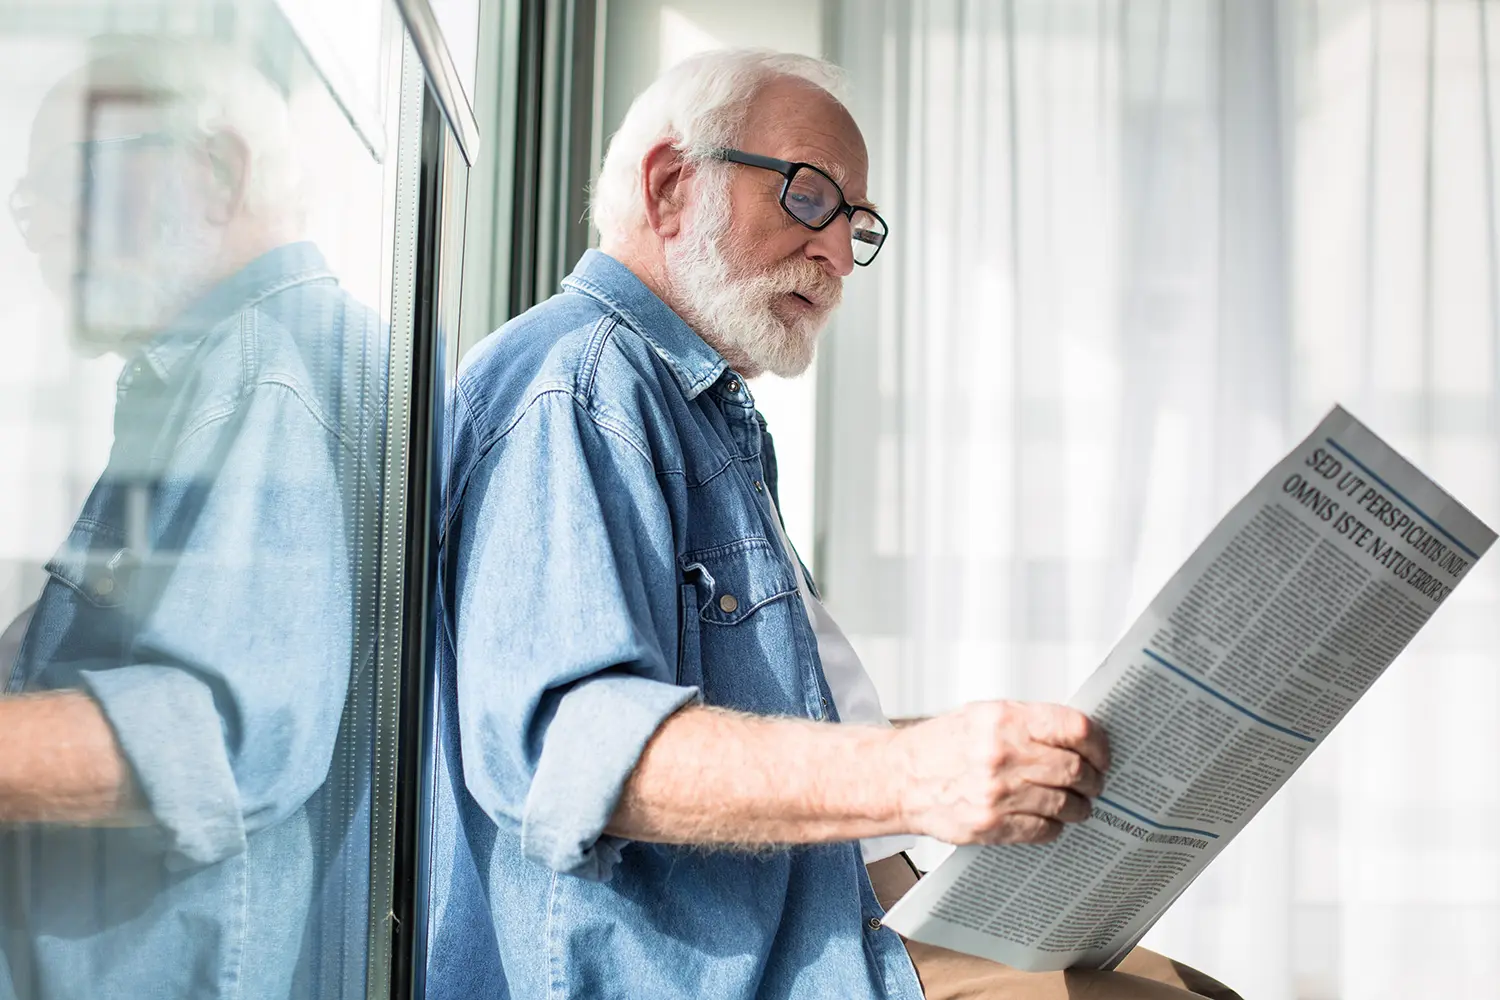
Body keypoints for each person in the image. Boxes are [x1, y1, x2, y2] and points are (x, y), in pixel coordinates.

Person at [430, 48, 1241, 1000]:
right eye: (810, 196)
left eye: (854, 223)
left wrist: (995, 758)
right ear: (670, 186)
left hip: (836, 936)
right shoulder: (577, 384)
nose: (837, 253)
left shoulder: (701, 415)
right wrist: (911, 772)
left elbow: (764, 732)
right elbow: (567, 750)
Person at [0, 38, 384, 999]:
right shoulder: (258, 361)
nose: (38, 229)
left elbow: (217, 735)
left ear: (216, 172)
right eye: (29, 200)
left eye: (70, 179)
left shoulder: (262, 365)